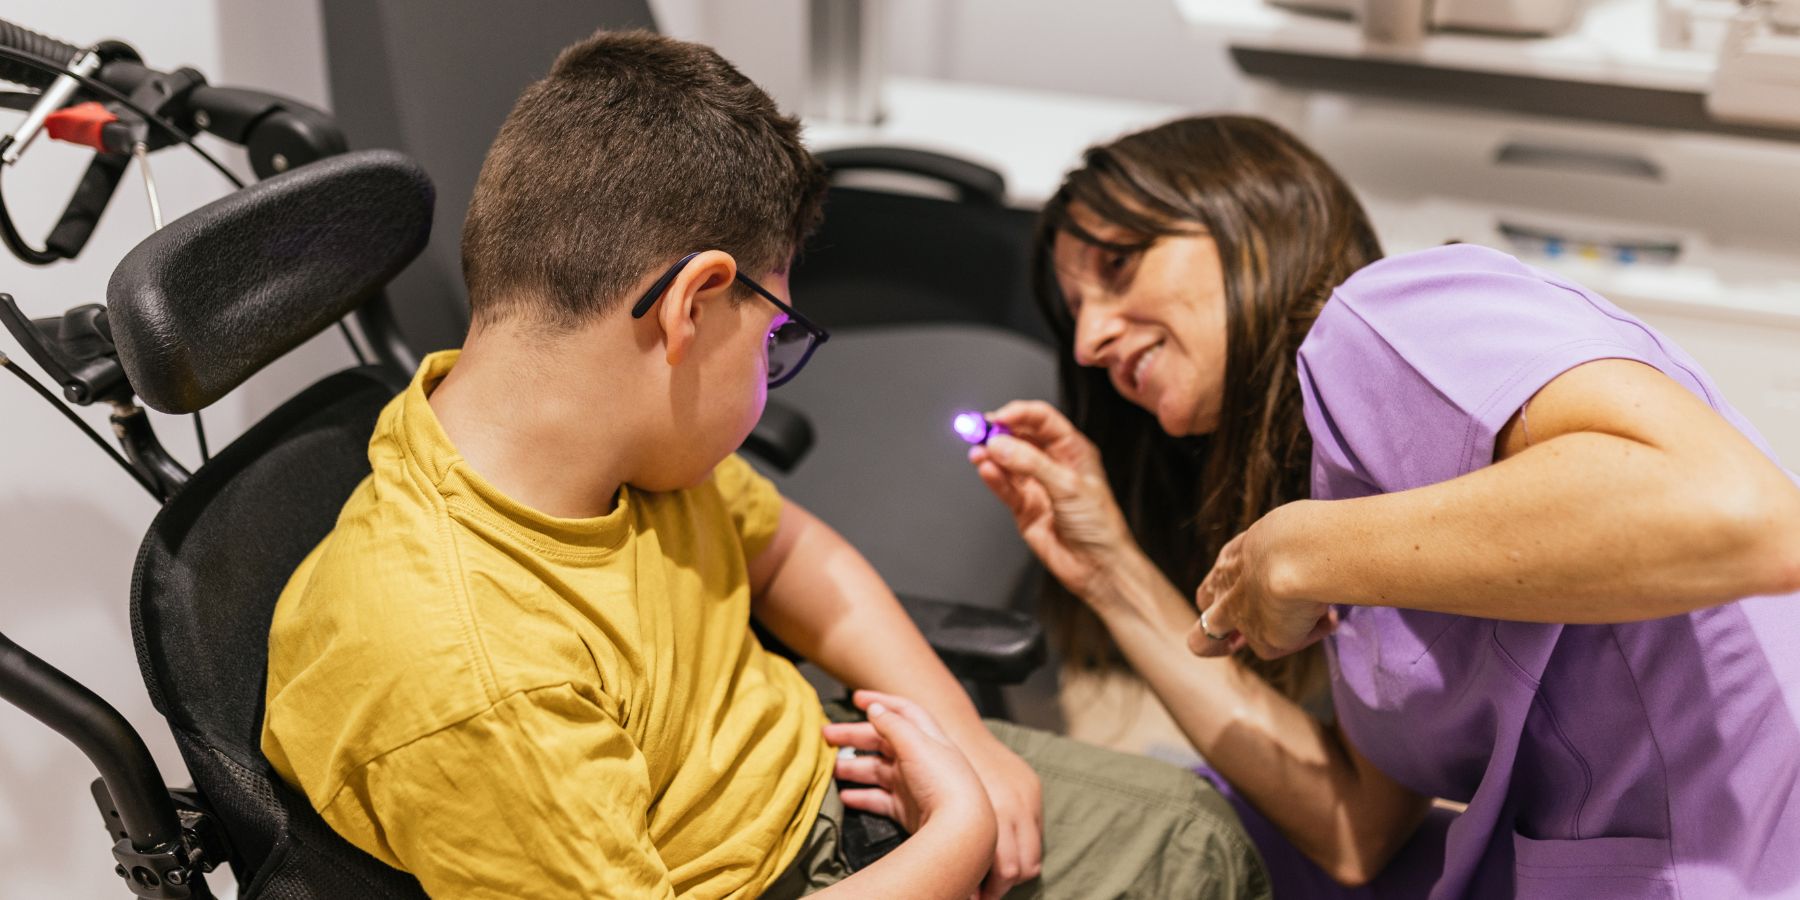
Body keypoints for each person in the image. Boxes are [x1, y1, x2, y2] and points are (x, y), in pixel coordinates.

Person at [259, 30, 1269, 900]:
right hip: (800, 869)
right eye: (775, 336)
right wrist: (959, 831)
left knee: (1195, 832)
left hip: (821, 776)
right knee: (1197, 856)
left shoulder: (588, 447)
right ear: (694, 305)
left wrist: (966, 735)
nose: (771, 374)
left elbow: (786, 550)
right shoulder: (476, 680)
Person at [969, 114, 1800, 899]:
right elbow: (1355, 827)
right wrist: (1109, 569)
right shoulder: (1345, 471)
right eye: (1075, 313)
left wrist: (1300, 552)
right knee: (1192, 812)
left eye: (1119, 267)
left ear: (1250, 222)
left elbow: (1742, 515)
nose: (1090, 341)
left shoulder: (1383, 314)